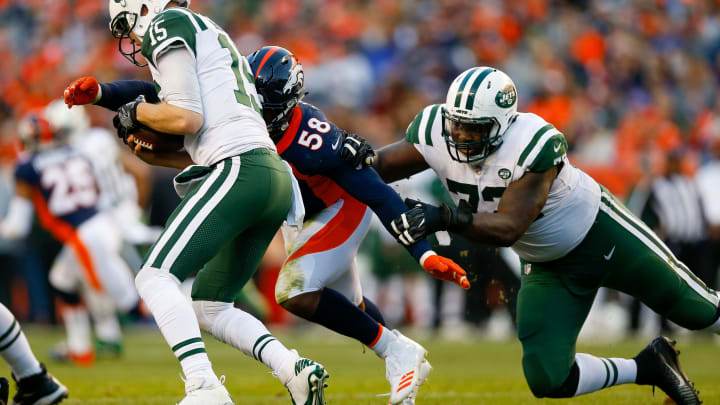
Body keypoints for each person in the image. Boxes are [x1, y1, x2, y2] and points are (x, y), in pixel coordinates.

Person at [64, 45, 470, 405]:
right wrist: (103, 94)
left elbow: (376, 192)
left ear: (290, 103)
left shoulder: (311, 135)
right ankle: (398, 357)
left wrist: (424, 252)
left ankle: (398, 350)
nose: (257, 114)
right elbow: (156, 94)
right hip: (295, 213)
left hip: (336, 210)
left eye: (268, 108)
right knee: (351, 308)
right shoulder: (231, 102)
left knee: (294, 292)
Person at [341, 66, 720, 404]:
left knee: (698, 310)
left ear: (503, 124)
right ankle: (650, 367)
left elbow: (510, 227)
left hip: (603, 238)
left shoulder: (533, 142)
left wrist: (443, 216)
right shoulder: (434, 131)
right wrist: (343, 161)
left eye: (473, 128)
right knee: (548, 377)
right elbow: (376, 169)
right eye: (456, 123)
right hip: (547, 264)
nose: (460, 135)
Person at [99, 1, 327, 404]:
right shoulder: (209, 31)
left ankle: (204, 385)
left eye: (127, 22)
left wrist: (140, 111)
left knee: (154, 276)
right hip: (267, 172)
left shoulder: (169, 23)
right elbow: (207, 136)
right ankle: (294, 369)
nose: (131, 36)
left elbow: (188, 119)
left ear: (143, 6)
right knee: (209, 305)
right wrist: (159, 157)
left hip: (241, 167)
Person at [2, 112, 139, 367]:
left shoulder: (27, 167)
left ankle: (188, 307)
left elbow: (18, 226)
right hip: (100, 222)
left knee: (132, 302)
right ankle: (81, 348)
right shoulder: (76, 152)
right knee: (62, 279)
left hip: (83, 236)